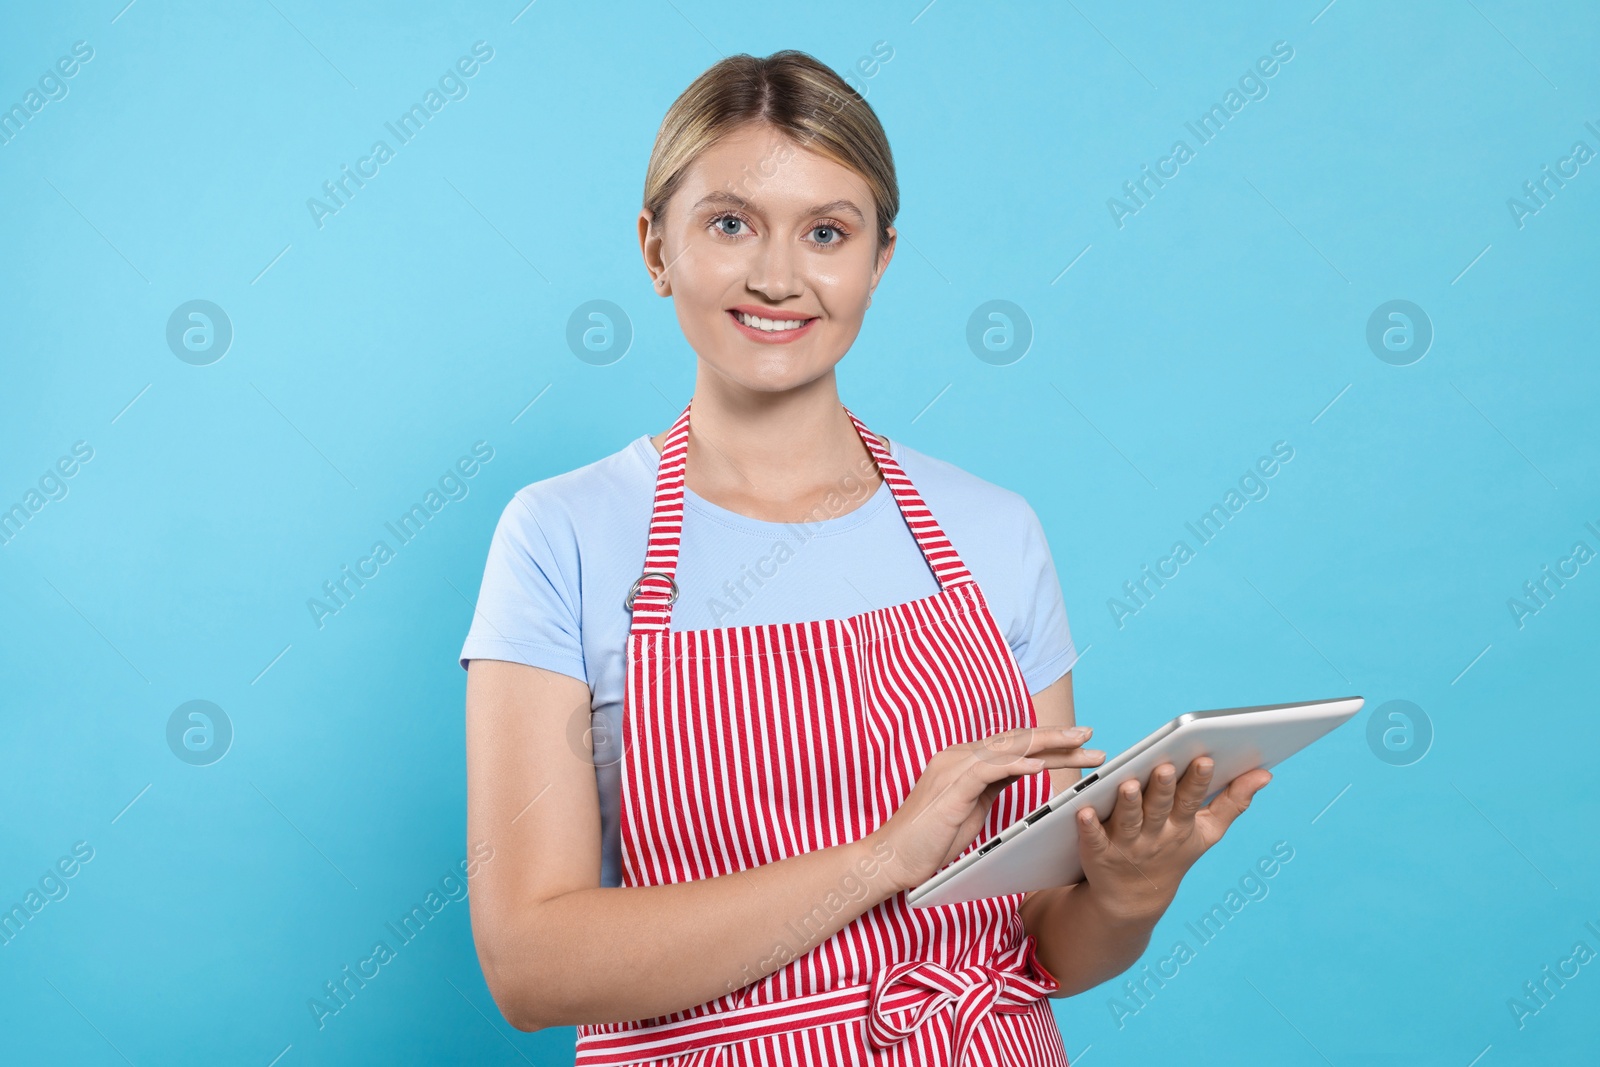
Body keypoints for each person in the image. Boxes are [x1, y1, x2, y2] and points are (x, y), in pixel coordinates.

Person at [459, 49, 1271, 1065]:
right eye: (728, 222)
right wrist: (883, 857)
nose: (777, 276)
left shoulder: (992, 531)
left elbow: (1042, 943)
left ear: (880, 259)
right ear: (654, 245)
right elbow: (531, 966)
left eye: (827, 233)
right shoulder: (564, 535)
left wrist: (1130, 890)